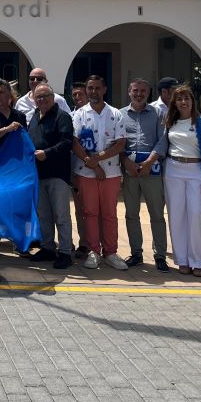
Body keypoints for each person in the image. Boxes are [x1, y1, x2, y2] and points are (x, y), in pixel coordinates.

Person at [71, 74, 127, 271]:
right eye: (90, 88)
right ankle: (93, 251)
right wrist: (92, 164)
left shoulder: (115, 113)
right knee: (90, 213)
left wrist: (98, 159)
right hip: (86, 172)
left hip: (111, 172)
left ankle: (111, 252)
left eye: (97, 88)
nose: (93, 91)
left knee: (109, 214)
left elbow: (120, 143)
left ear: (104, 90)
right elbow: (75, 142)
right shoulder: (79, 114)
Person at [164, 85, 201, 277]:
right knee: (177, 215)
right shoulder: (170, 121)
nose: (183, 102)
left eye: (187, 98)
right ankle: (183, 260)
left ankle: (199, 261)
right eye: (179, 99)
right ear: (174, 103)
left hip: (196, 171)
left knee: (196, 215)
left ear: (192, 101)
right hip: (173, 170)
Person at [118, 78, 169, 271]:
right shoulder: (120, 114)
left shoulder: (158, 113)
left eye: (143, 91)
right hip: (130, 171)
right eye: (135, 91)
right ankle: (136, 253)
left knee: (156, 214)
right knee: (131, 214)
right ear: (129, 92)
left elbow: (163, 140)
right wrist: (126, 161)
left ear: (148, 93)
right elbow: (117, 141)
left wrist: (149, 162)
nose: (139, 94)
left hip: (152, 171)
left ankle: (160, 255)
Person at [27, 84, 74, 269]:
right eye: (38, 97)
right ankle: (47, 247)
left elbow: (67, 142)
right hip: (39, 174)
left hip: (57, 174)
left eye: (45, 96)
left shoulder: (62, 116)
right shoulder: (34, 117)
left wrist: (47, 153)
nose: (42, 100)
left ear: (53, 97)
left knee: (61, 215)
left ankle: (65, 252)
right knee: (44, 215)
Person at [70, 81, 91, 258]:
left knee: (95, 210)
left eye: (80, 94)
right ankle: (84, 243)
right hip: (76, 169)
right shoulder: (70, 116)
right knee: (79, 210)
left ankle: (96, 243)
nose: (77, 97)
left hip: (96, 169)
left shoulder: (97, 115)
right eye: (75, 94)